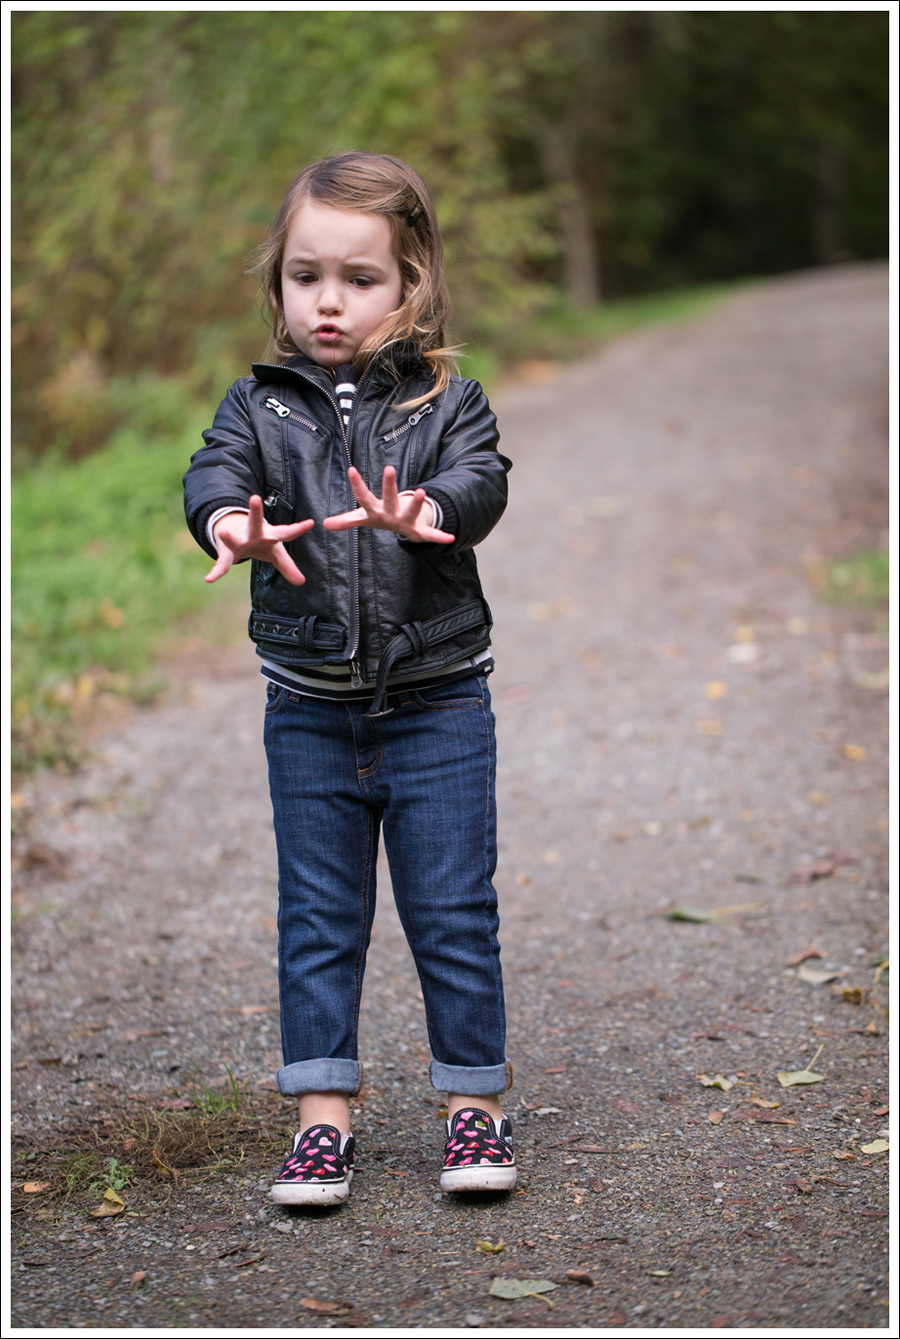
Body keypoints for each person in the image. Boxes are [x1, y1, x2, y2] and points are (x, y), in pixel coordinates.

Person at [183, 151, 515, 1206]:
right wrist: (229, 519)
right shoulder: (256, 405)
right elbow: (211, 472)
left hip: (439, 702)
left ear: (411, 281)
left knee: (453, 910)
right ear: (276, 283)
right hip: (310, 709)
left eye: (360, 278)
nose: (329, 300)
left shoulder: (447, 401)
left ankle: (474, 1108)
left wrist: (434, 512)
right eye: (305, 275)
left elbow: (482, 479)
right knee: (320, 915)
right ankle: (322, 1122)